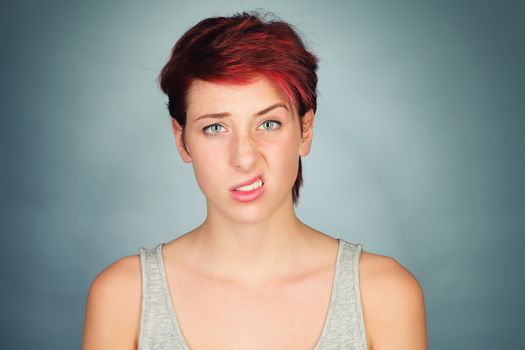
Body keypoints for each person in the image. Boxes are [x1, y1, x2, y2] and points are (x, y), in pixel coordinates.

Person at [82, 11, 427, 350]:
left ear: (305, 130)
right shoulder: (124, 297)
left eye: (268, 124)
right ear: (181, 139)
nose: (244, 158)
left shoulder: (382, 294)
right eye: (215, 128)